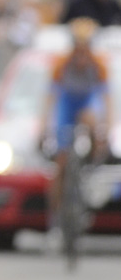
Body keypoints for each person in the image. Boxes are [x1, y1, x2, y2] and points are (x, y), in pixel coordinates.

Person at [40, 16, 113, 233]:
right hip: (67, 106)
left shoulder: (98, 65)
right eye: (77, 49)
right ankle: (54, 220)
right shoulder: (62, 64)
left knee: (92, 121)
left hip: (87, 104)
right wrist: (45, 126)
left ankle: (90, 161)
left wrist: (106, 128)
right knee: (61, 164)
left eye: (86, 48)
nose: (81, 55)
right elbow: (50, 98)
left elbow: (107, 101)